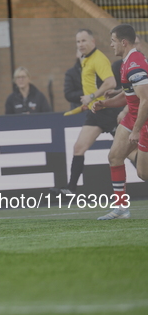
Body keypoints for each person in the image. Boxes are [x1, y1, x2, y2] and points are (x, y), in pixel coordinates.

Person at [53, 29, 119, 195]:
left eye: (84, 41)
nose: (80, 44)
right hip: (95, 112)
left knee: (127, 151)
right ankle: (71, 189)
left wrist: (91, 96)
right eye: (78, 42)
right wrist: (88, 103)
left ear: (93, 42)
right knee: (79, 148)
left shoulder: (98, 58)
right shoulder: (85, 59)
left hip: (108, 111)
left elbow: (111, 82)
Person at [93, 25, 148, 220]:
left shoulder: (134, 64)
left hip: (143, 121)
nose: (110, 45)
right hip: (132, 118)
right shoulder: (128, 61)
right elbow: (130, 94)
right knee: (114, 157)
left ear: (123, 42)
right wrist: (106, 103)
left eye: (113, 41)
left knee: (143, 173)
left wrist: (137, 129)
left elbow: (145, 100)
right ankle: (121, 208)